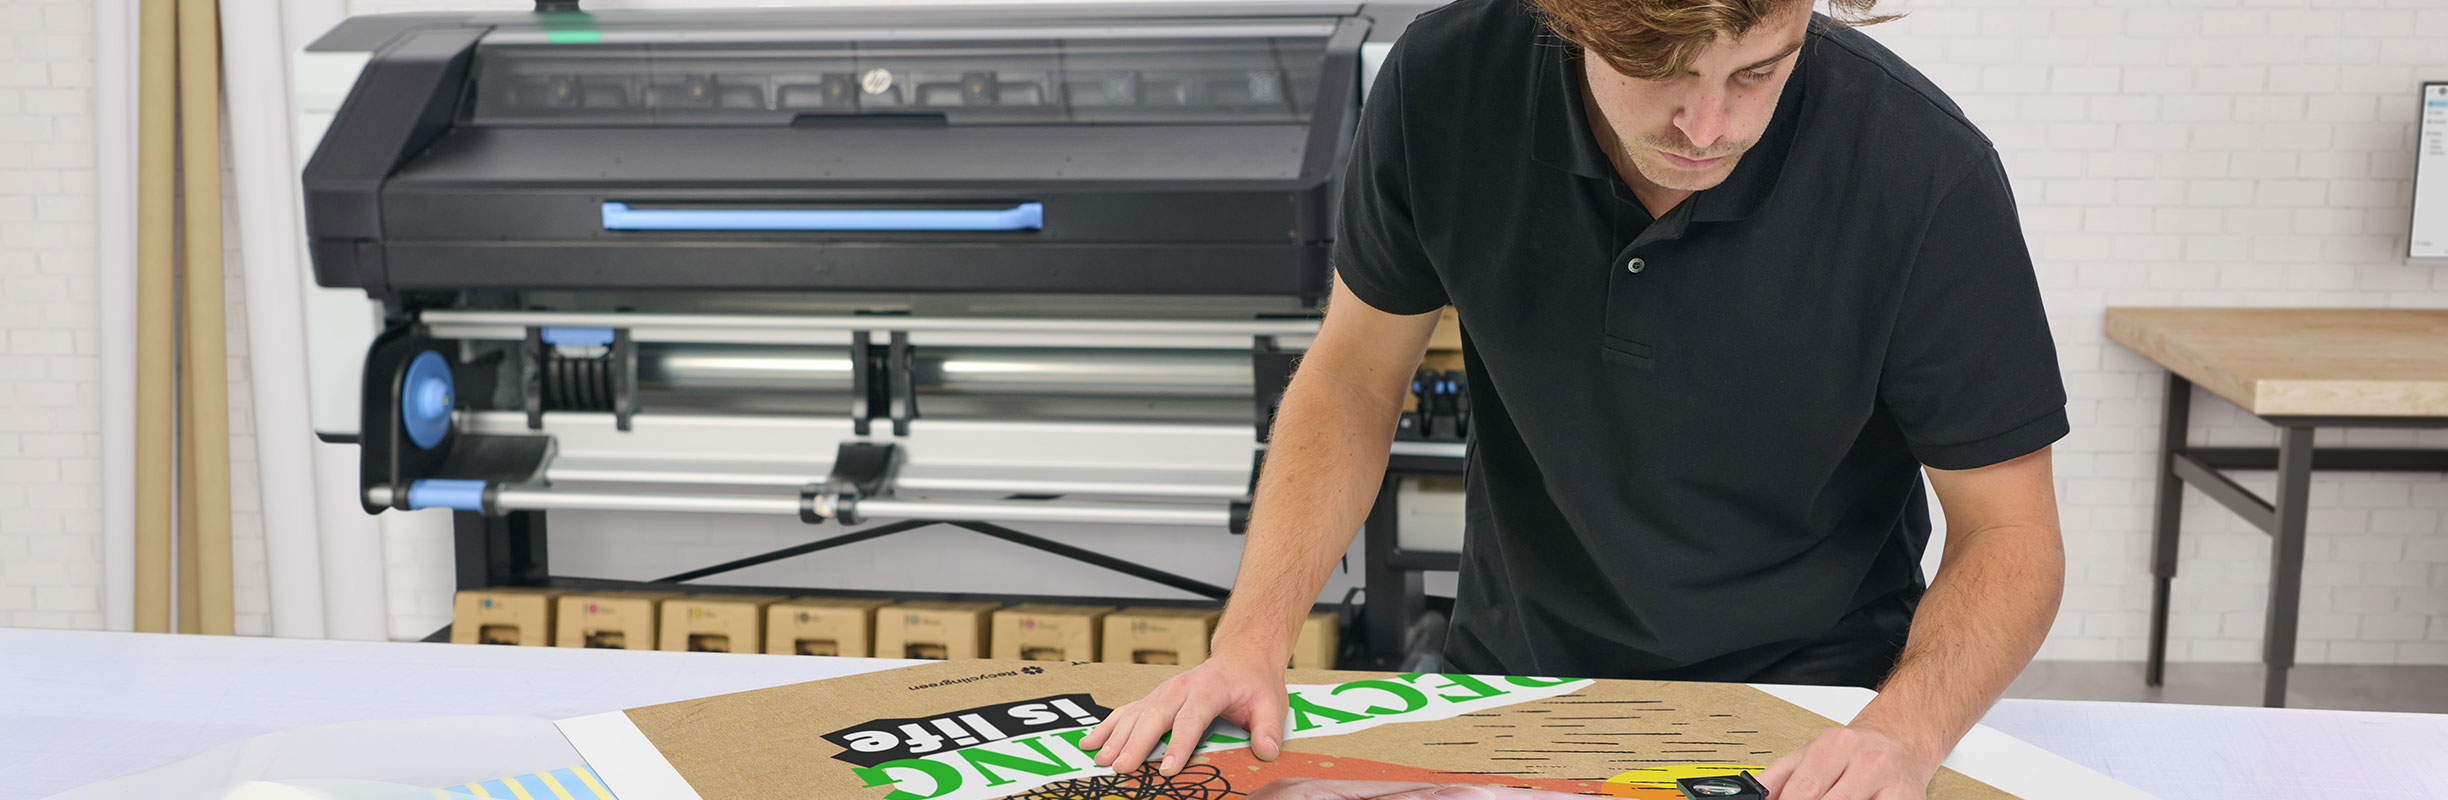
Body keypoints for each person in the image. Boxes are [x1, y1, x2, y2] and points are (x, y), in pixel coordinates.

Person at [1084, 0, 2069, 797]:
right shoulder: (1448, 84)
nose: (1707, 126)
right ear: (1572, 19)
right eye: (1662, 71)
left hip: (1811, 710)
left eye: (1757, 72)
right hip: (1512, 684)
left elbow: (2010, 533)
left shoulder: (1922, 171)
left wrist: (1905, 729)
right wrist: (1252, 639)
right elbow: (1351, 379)